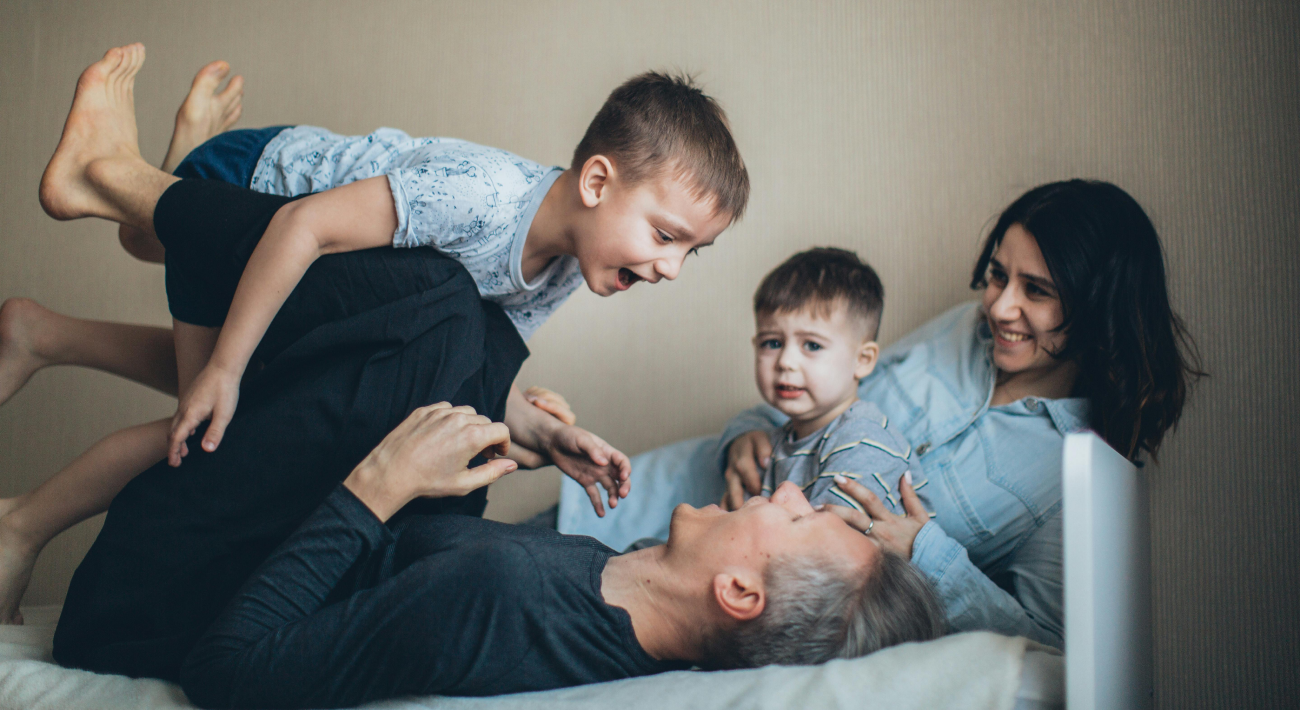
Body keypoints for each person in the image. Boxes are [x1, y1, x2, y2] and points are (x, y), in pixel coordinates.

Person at [0, 42, 749, 622]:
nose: (671, 268)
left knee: (224, 358)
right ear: (595, 183)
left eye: (690, 251)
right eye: (663, 235)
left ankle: (44, 331)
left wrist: (545, 436)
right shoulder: (483, 197)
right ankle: (20, 526)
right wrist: (224, 367)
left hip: (302, 267)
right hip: (256, 187)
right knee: (206, 423)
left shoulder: (557, 268)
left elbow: (472, 366)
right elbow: (300, 227)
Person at [564, 179, 1203, 651]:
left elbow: (1047, 644)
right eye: (997, 276)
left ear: (1099, 308)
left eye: (1037, 291)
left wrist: (930, 555)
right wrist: (745, 434)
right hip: (654, 492)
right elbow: (823, 384)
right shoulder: (960, 330)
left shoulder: (1080, 468)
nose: (1001, 307)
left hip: (721, 592)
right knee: (509, 553)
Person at [179, 401, 945, 709]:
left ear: (741, 593)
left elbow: (225, 671)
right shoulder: (623, 587)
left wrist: (375, 488)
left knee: (440, 304)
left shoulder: (506, 599)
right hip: (267, 526)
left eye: (800, 518)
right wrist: (522, 446)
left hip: (183, 587)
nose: (788, 491)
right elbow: (403, 577)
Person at [743, 248, 925, 518]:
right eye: (772, 343)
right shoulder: (780, 441)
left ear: (862, 360)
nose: (785, 361)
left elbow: (830, 548)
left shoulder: (863, 440)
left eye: (812, 345)